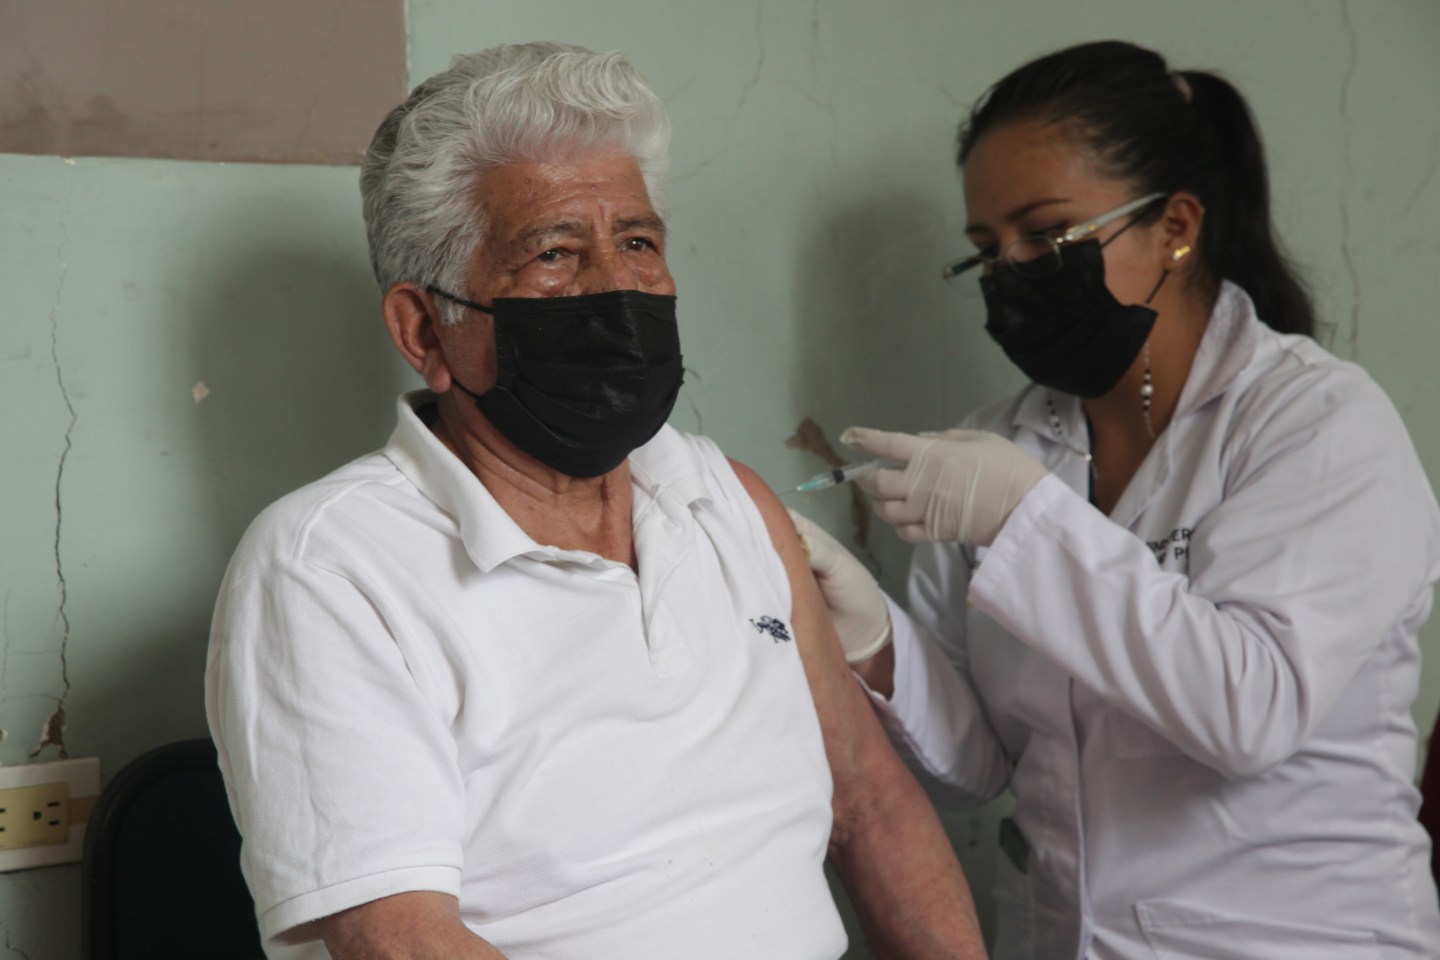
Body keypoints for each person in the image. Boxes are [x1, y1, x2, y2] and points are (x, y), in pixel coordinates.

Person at [205, 42, 985, 960]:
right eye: (554, 253)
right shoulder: (329, 568)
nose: (617, 290)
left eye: (639, 243)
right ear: (425, 328)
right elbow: (403, 942)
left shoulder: (725, 500)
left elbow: (870, 800)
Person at [794, 39, 1440, 959]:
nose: (1013, 272)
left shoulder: (1317, 422)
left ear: (1175, 224)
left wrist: (1026, 522)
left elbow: (1250, 710)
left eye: (1046, 235)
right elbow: (977, 767)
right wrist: (874, 642)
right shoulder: (1004, 444)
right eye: (987, 250)